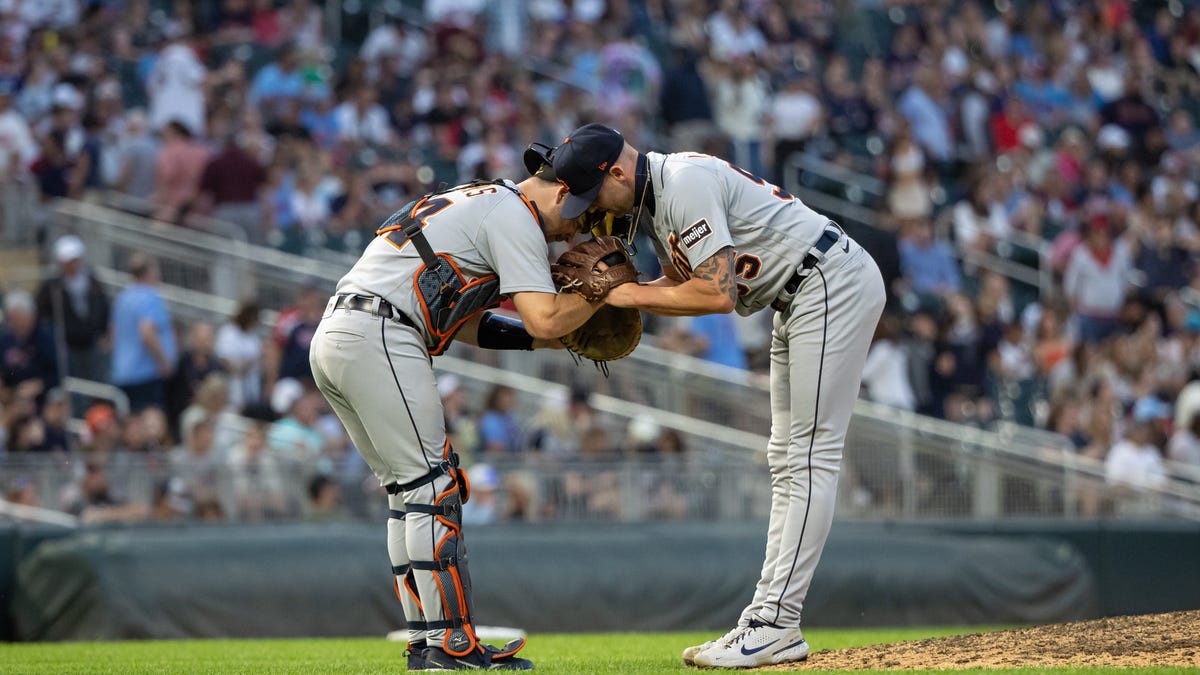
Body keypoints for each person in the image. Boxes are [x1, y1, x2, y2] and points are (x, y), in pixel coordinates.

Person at [546, 123, 885, 668]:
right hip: (796, 296)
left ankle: (776, 623)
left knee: (808, 458)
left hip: (829, 280)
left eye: (595, 193)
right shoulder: (658, 202)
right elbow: (693, 281)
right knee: (787, 461)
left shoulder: (682, 182)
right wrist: (611, 296)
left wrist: (621, 293)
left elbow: (717, 294)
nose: (594, 211)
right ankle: (766, 619)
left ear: (616, 170)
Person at [309, 163, 608, 671]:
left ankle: (428, 642)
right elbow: (543, 316)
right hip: (382, 333)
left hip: (343, 333)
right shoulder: (517, 213)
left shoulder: (482, 200)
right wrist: (591, 302)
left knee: (410, 492)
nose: (574, 231)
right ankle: (451, 645)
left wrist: (548, 335)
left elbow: (466, 321)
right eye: (577, 217)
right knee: (433, 488)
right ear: (561, 192)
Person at [35, 235, 111, 384]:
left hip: (92, 341)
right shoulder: (53, 286)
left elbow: (103, 307)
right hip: (68, 344)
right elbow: (43, 311)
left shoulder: (93, 281)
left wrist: (105, 333)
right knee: (74, 381)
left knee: (97, 379)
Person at [110, 253, 177, 412]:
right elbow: (147, 332)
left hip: (122, 371)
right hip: (145, 373)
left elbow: (112, 333)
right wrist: (163, 362)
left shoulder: (123, 297)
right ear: (151, 272)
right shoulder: (151, 297)